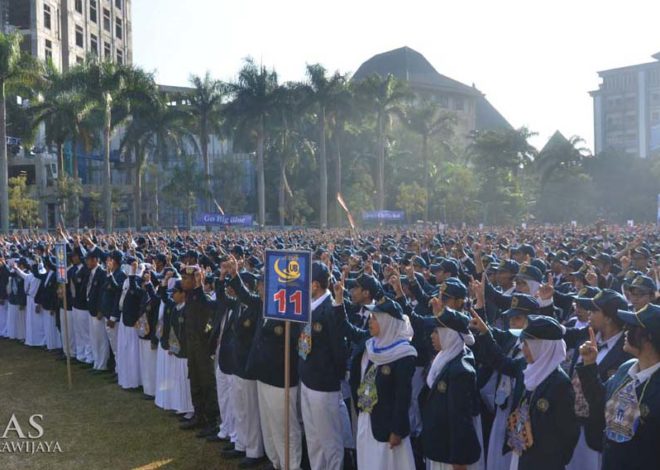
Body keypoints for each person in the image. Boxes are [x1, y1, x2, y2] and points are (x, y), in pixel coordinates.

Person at [577, 303, 660, 469]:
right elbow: (600, 401)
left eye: (632, 327)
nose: (626, 331)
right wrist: (589, 365)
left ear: (648, 337)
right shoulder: (626, 368)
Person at [346, 297, 417, 470]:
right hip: (366, 418)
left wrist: (397, 430)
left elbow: (403, 396)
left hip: (387, 427)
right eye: (371, 317)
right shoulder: (369, 346)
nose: (370, 322)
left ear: (388, 322)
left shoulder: (403, 354)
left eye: (375, 318)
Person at [566, 290, 632, 470]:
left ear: (609, 318)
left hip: (595, 432)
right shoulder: (586, 335)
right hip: (570, 426)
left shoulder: (625, 353)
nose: (589, 314)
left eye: (595, 311)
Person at [508, 315, 579, 470]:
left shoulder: (560, 384)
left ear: (543, 347)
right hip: (523, 455)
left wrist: (552, 460)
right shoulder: (531, 372)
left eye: (527, 344)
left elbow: (569, 433)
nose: (522, 348)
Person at [421, 304, 483, 470]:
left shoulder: (460, 371)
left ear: (449, 335)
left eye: (437, 331)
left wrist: (460, 460)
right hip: (440, 445)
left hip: (451, 453)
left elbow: (460, 418)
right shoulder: (445, 357)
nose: (432, 336)